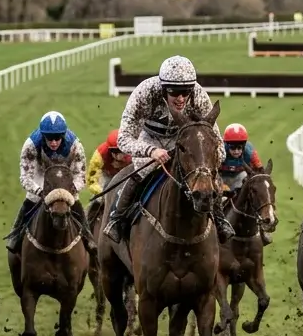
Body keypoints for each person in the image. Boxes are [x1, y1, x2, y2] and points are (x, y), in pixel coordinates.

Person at [105, 55, 236, 243]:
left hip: (183, 139)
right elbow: (123, 139)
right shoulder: (145, 93)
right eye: (175, 92)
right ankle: (117, 219)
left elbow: (215, 139)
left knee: (206, 175)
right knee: (142, 171)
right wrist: (151, 151)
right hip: (150, 138)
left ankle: (219, 218)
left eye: (186, 91)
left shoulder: (198, 95)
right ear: (164, 88)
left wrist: (210, 161)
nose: (181, 98)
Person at [5, 111, 91, 253]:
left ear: (63, 135)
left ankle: (88, 238)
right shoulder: (31, 144)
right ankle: (15, 236)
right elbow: (26, 177)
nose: (53, 142)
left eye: (57, 138)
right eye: (49, 138)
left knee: (74, 200)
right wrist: (39, 191)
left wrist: (70, 190)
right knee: (32, 198)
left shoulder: (75, 145)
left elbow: (80, 176)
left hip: (65, 174)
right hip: (41, 171)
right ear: (42, 135)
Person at [218, 123, 264, 192]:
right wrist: (220, 184)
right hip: (221, 177)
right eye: (233, 148)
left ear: (244, 146)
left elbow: (261, 170)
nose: (236, 151)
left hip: (239, 176)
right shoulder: (219, 150)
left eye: (239, 148)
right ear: (227, 146)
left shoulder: (250, 151)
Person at [85, 129, 131, 195]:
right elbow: (92, 181)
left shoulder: (133, 152)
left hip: (126, 174)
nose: (121, 156)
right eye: (116, 152)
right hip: (107, 175)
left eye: (123, 150)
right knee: (99, 199)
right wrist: (102, 193)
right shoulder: (100, 156)